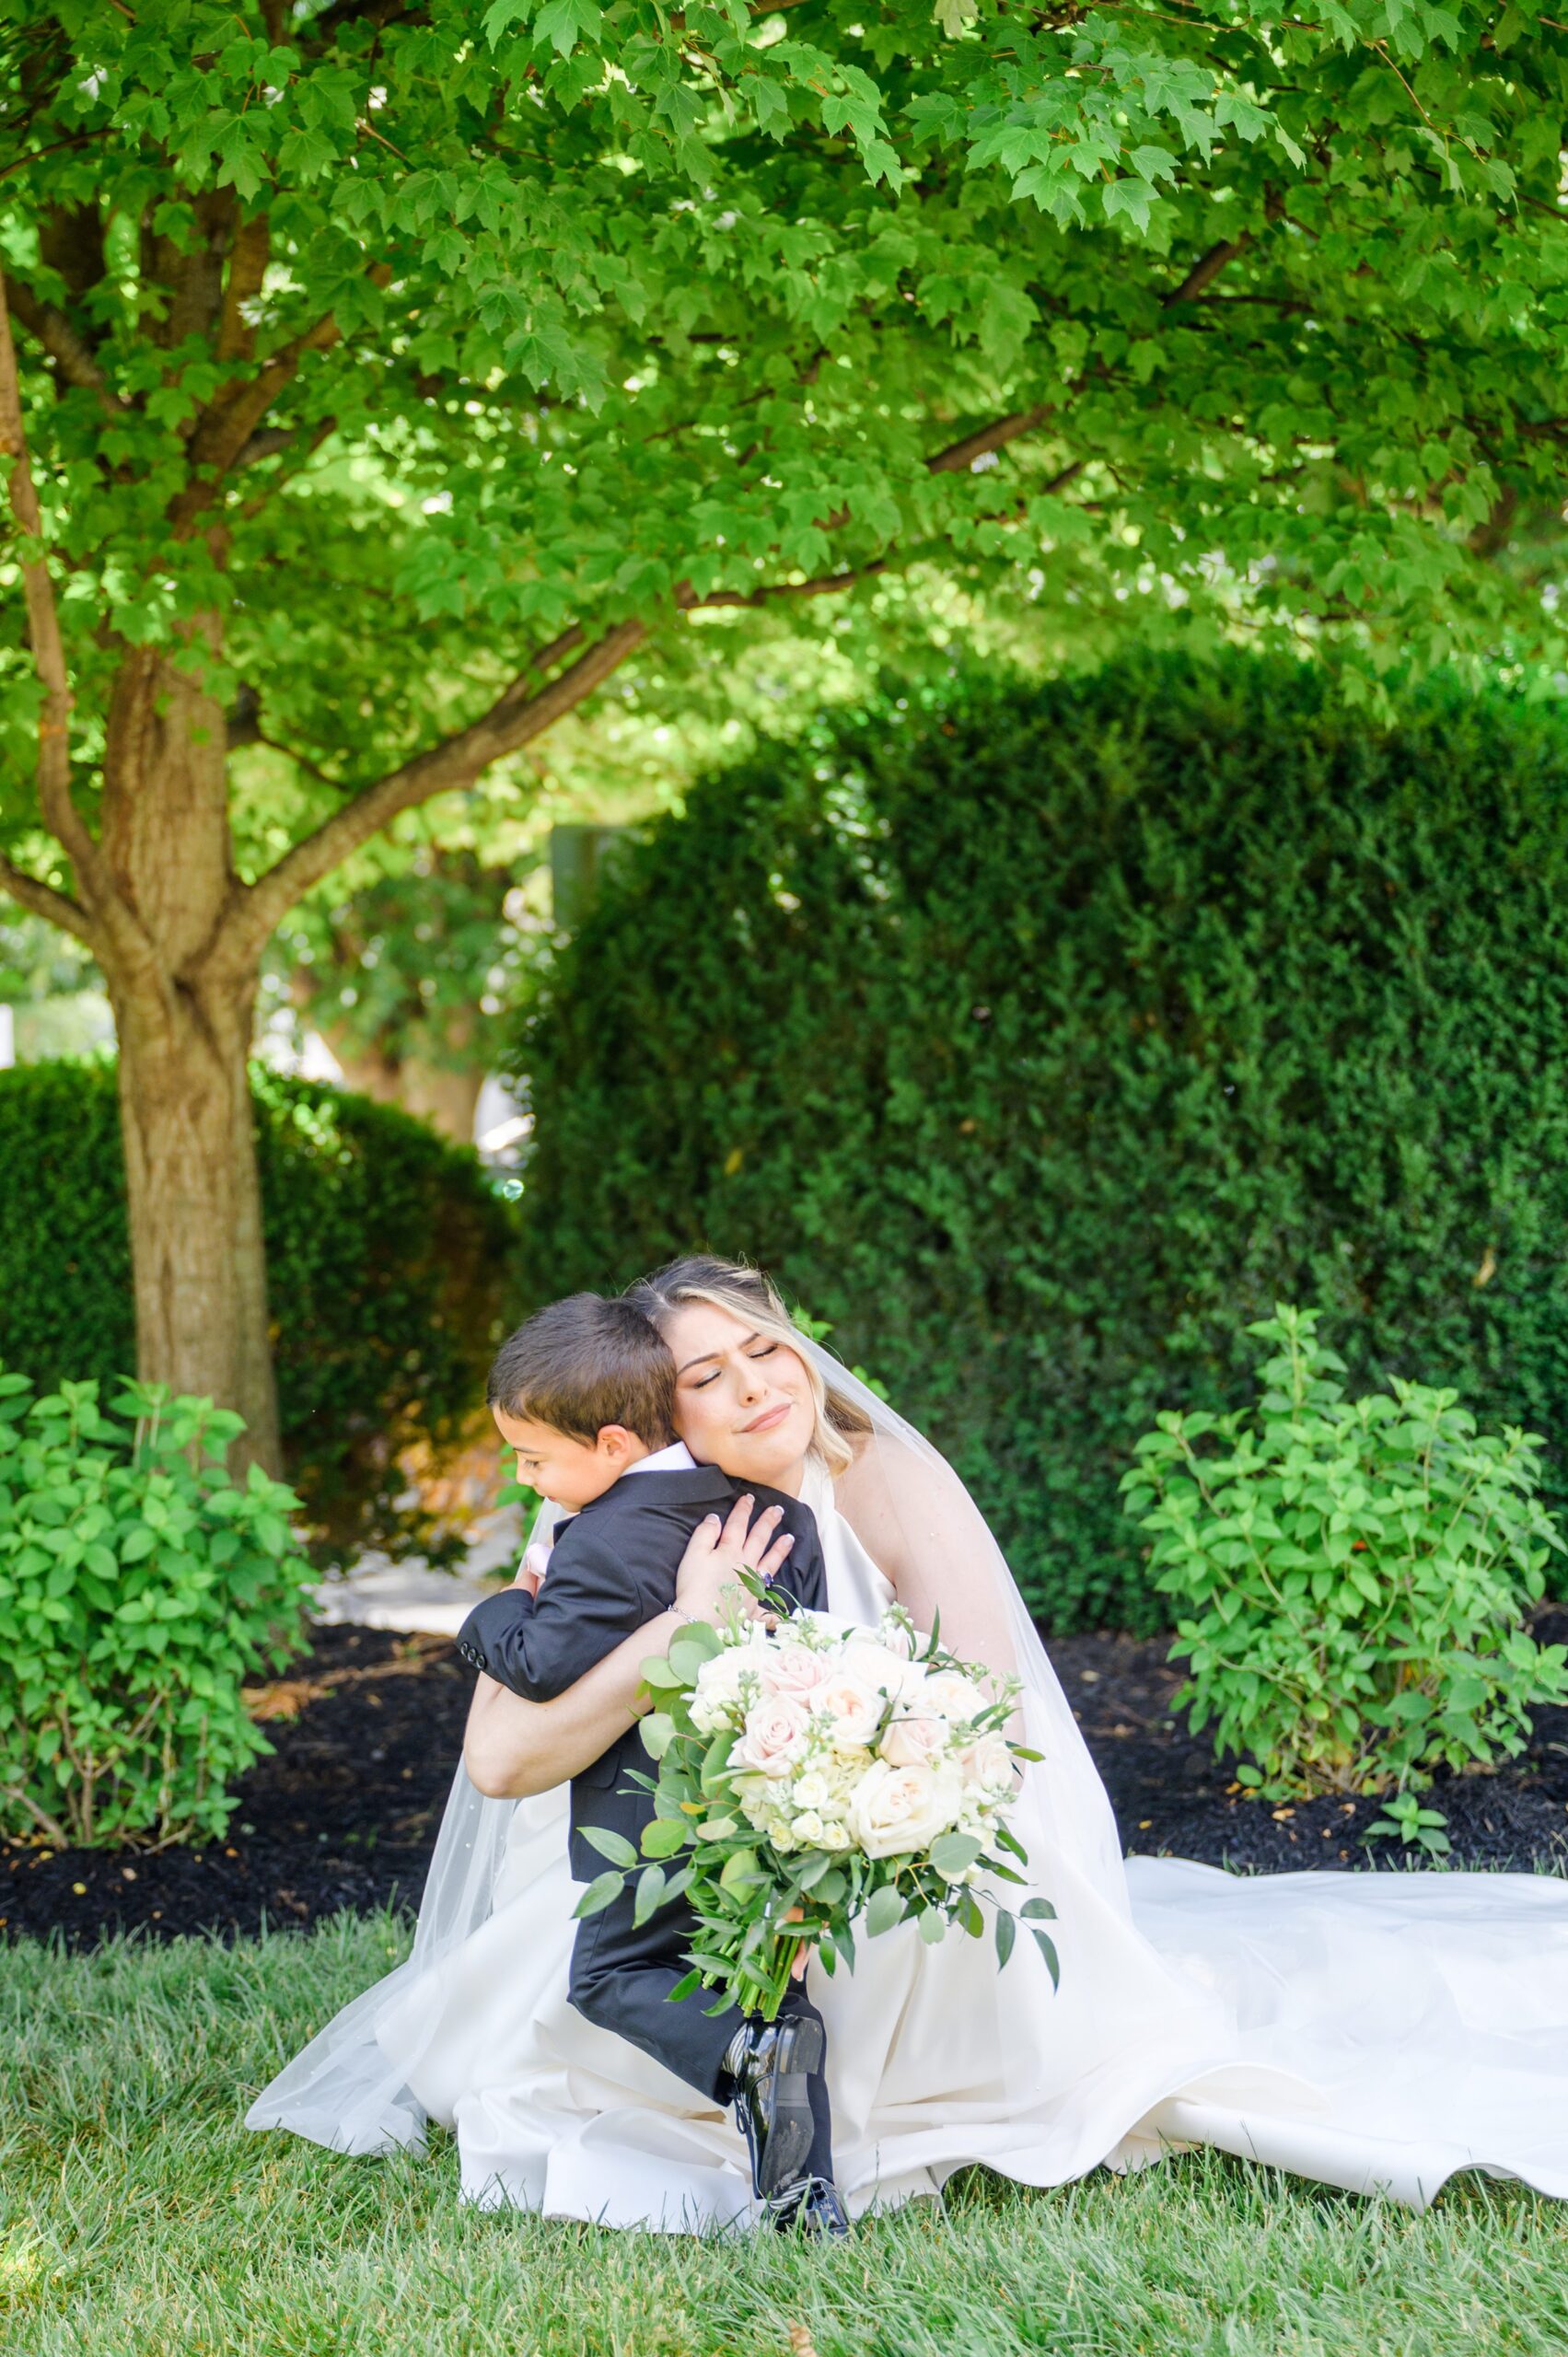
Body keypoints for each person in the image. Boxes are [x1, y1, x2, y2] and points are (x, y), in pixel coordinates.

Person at [249, 1257, 1568, 2224]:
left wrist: (839, 1810)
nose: (754, 1384)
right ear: (653, 1416)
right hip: (668, 1845)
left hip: (925, 1824)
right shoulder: (603, 1520)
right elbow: (500, 1761)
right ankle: (755, 2053)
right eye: (704, 1376)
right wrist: (677, 1636)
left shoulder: (869, 1473)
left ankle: (790, 2054)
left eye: (761, 1348)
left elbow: (982, 1717)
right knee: (561, 1993)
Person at [449, 1294, 846, 2232]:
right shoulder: (776, 1511)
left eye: (534, 1458)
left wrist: (496, 1610)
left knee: (609, 1975)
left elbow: (540, 1666)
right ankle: (797, 2187)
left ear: (617, 1444)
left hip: (647, 1822)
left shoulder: (599, 1541)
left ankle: (753, 2052)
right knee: (756, 1971)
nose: (525, 1477)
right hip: (762, 1809)